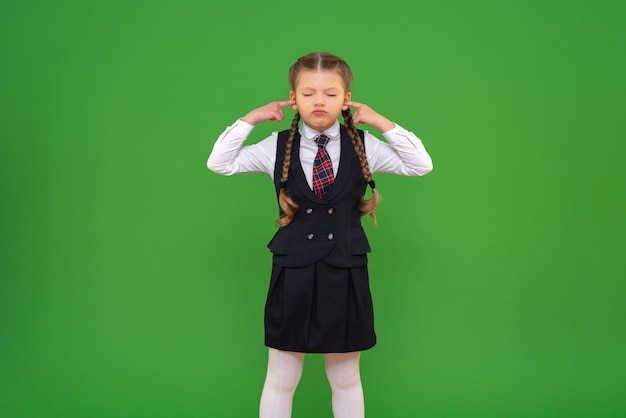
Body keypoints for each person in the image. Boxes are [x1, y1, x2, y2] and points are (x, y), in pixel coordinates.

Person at [207, 52, 433, 418]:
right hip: (292, 271)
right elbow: (220, 162)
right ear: (293, 98)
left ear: (346, 99)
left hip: (345, 270)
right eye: (309, 93)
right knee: (281, 377)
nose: (319, 101)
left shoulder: (365, 146)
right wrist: (250, 120)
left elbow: (420, 165)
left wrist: (381, 123)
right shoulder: (275, 146)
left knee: (345, 377)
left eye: (330, 93)